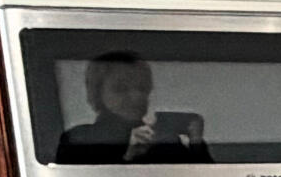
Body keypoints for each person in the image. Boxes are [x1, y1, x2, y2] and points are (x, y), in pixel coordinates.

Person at [55, 51, 207, 162]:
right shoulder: (80, 140)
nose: (136, 96)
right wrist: (128, 158)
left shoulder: (164, 139)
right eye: (120, 88)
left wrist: (196, 144)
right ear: (98, 93)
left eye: (142, 88)